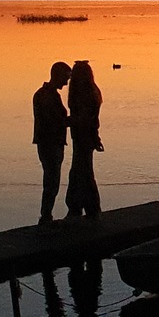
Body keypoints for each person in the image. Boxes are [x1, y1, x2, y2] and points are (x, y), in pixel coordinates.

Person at [31, 62, 71, 224]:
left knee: (51, 179)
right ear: (57, 75)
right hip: (50, 144)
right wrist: (74, 121)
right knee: (52, 180)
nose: (67, 82)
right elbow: (54, 121)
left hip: (50, 143)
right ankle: (46, 216)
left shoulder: (46, 94)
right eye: (65, 78)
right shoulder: (46, 96)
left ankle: (46, 214)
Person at [65, 59, 104, 218]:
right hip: (85, 136)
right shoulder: (92, 91)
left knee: (82, 172)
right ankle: (80, 207)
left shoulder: (84, 93)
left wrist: (63, 121)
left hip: (83, 136)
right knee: (80, 171)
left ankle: (88, 208)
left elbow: (84, 118)